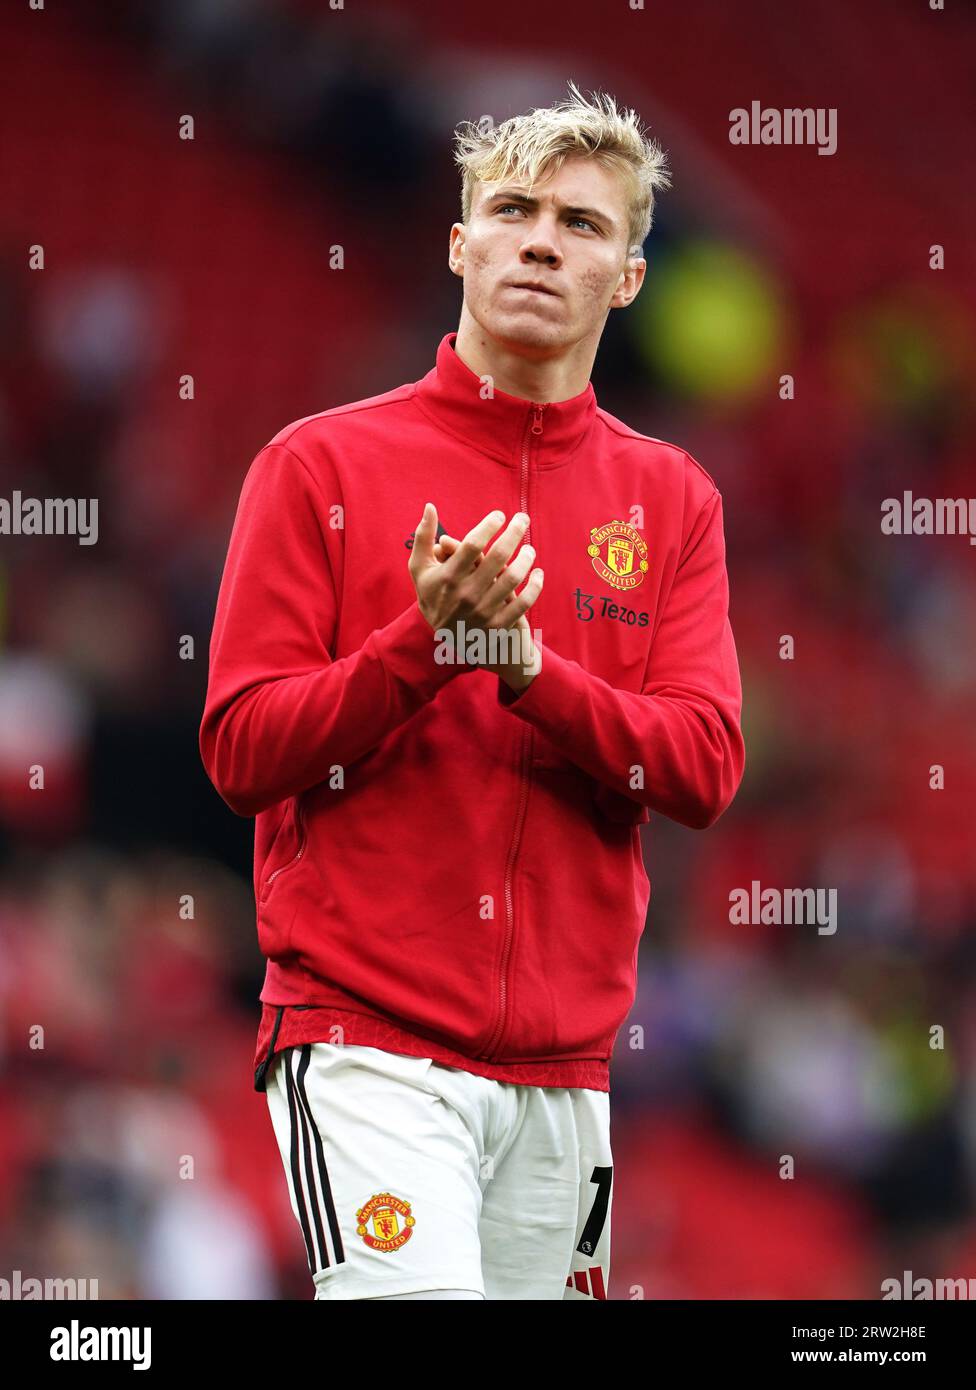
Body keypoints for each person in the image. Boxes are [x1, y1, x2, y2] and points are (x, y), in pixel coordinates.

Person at [199, 80, 745, 1301]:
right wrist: (419, 650)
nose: (543, 239)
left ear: (630, 278)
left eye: (584, 223)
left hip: (567, 1079)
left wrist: (530, 675)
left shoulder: (672, 502)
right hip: (365, 1045)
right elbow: (239, 750)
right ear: (461, 244)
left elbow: (703, 766)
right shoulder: (319, 464)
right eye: (512, 210)